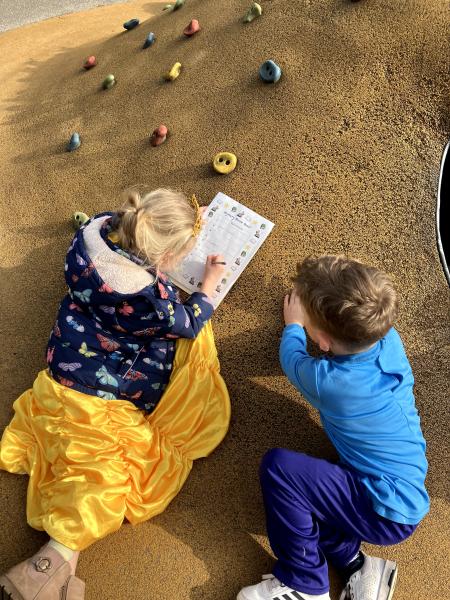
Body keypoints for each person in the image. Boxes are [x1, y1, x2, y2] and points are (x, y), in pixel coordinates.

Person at [0, 187, 230, 600]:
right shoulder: (148, 301)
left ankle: (53, 576)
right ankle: (46, 565)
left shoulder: (94, 231)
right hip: (101, 388)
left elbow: (140, 221)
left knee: (82, 460)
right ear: (165, 257)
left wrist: (182, 218)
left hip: (62, 366)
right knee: (103, 477)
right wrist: (208, 287)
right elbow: (187, 322)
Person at [238, 255, 429, 600]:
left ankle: (304, 582)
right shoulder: (388, 338)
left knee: (280, 470)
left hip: (380, 507)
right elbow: (358, 297)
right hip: (395, 493)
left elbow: (292, 359)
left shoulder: (329, 382)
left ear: (323, 342)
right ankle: (354, 563)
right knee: (315, 490)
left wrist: (294, 326)